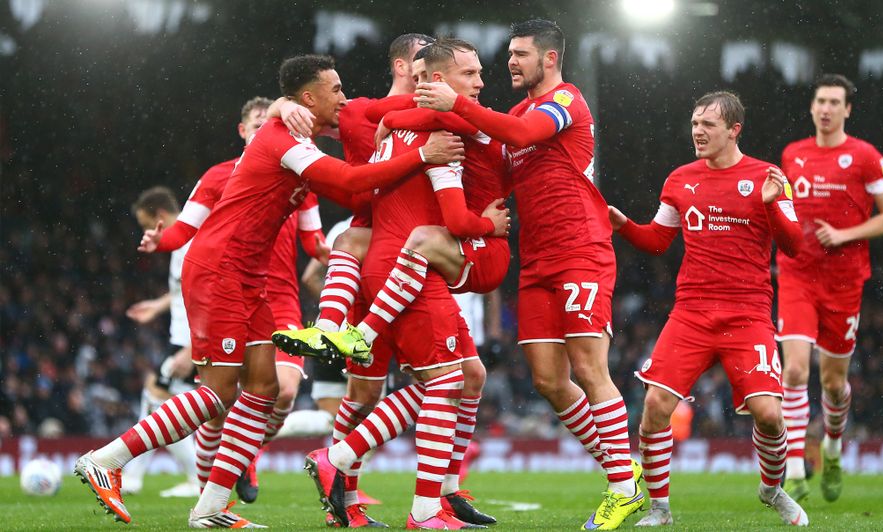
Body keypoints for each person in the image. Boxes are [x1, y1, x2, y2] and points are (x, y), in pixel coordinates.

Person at [74, 54, 463, 527]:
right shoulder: (284, 140)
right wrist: (422, 156)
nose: (343, 97)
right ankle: (107, 460)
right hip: (219, 269)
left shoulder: (300, 133)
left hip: (249, 277)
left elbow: (359, 178)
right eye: (335, 89)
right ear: (309, 98)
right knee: (218, 392)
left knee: (264, 389)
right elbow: (349, 181)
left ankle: (211, 507)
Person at [415, 19, 643, 530]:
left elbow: (516, 133)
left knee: (588, 369)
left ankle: (622, 489)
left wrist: (459, 106)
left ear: (550, 59)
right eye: (510, 53)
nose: (510, 62)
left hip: (581, 247)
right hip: (536, 258)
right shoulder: (514, 112)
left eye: (520, 54)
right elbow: (490, 140)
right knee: (547, 378)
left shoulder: (567, 102)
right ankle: (622, 470)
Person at [275, 38, 511, 527]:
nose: (478, 85)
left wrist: (404, 120)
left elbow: (401, 115)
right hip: (406, 263)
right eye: (468, 74)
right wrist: (490, 224)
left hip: (386, 255)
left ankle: (433, 496)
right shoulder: (431, 126)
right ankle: (355, 469)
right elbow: (496, 133)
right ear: (417, 70)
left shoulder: (394, 120)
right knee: (431, 384)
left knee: (461, 377)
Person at [609, 91, 808, 526]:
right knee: (656, 405)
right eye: (695, 123)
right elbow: (658, 241)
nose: (698, 131)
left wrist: (773, 203)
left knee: (770, 415)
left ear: (734, 130)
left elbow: (794, 246)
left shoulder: (768, 177)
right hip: (692, 313)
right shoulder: (680, 179)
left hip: (748, 313)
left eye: (708, 125)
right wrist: (623, 225)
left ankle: (771, 490)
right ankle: (660, 508)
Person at [131, 97, 327, 504]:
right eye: (257, 124)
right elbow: (183, 230)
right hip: (232, 295)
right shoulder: (219, 177)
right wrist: (159, 240)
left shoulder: (301, 176)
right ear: (243, 131)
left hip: (280, 300)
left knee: (285, 391)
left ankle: (244, 457)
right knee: (218, 405)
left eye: (270, 123)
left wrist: (333, 250)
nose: (265, 131)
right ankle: (209, 498)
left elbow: (313, 240)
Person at [776, 74, 883, 503]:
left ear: (847, 109)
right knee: (793, 370)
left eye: (834, 102)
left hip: (844, 281)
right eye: (820, 101)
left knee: (833, 383)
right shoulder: (792, 155)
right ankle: (795, 470)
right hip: (796, 274)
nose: (826, 109)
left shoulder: (865, 157)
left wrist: (845, 235)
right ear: (812, 107)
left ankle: (831, 446)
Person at [122, 186, 200, 499]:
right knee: (157, 400)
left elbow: (206, 295)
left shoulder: (189, 243)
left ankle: (196, 480)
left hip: (189, 339)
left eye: (145, 225)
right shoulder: (183, 242)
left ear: (159, 217)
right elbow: (183, 291)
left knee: (158, 399)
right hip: (182, 336)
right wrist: (157, 304)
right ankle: (135, 477)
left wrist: (193, 348)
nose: (145, 233)